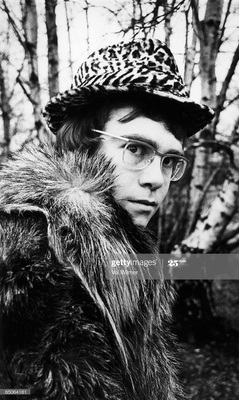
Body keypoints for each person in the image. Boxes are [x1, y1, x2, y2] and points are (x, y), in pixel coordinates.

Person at [0, 38, 214, 399]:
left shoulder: (128, 253)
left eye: (169, 160)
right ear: (83, 145)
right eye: (135, 149)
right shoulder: (29, 251)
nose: (156, 179)